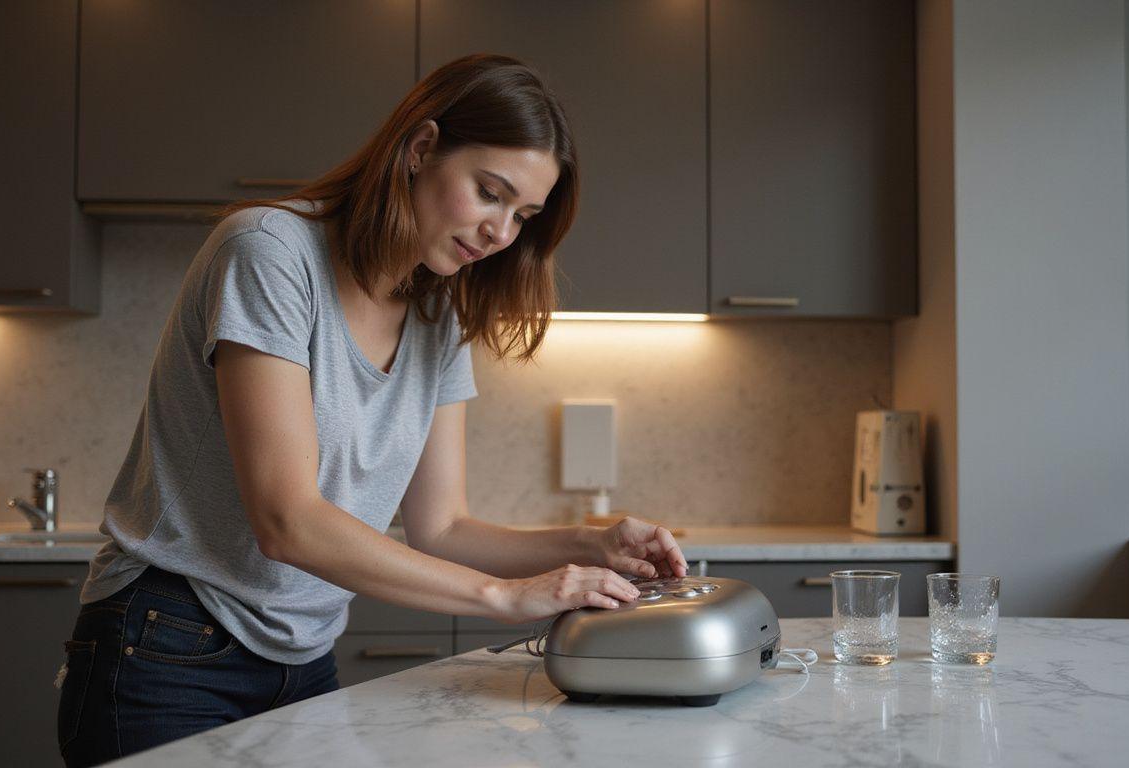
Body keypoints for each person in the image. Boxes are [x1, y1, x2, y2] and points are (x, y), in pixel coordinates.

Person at [55, 54, 688, 766]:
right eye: (489, 193)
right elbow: (287, 521)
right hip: (167, 646)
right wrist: (508, 599)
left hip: (303, 655)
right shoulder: (269, 251)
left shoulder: (437, 314)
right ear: (421, 149)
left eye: (523, 215)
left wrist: (591, 545)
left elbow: (441, 526)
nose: (501, 233)